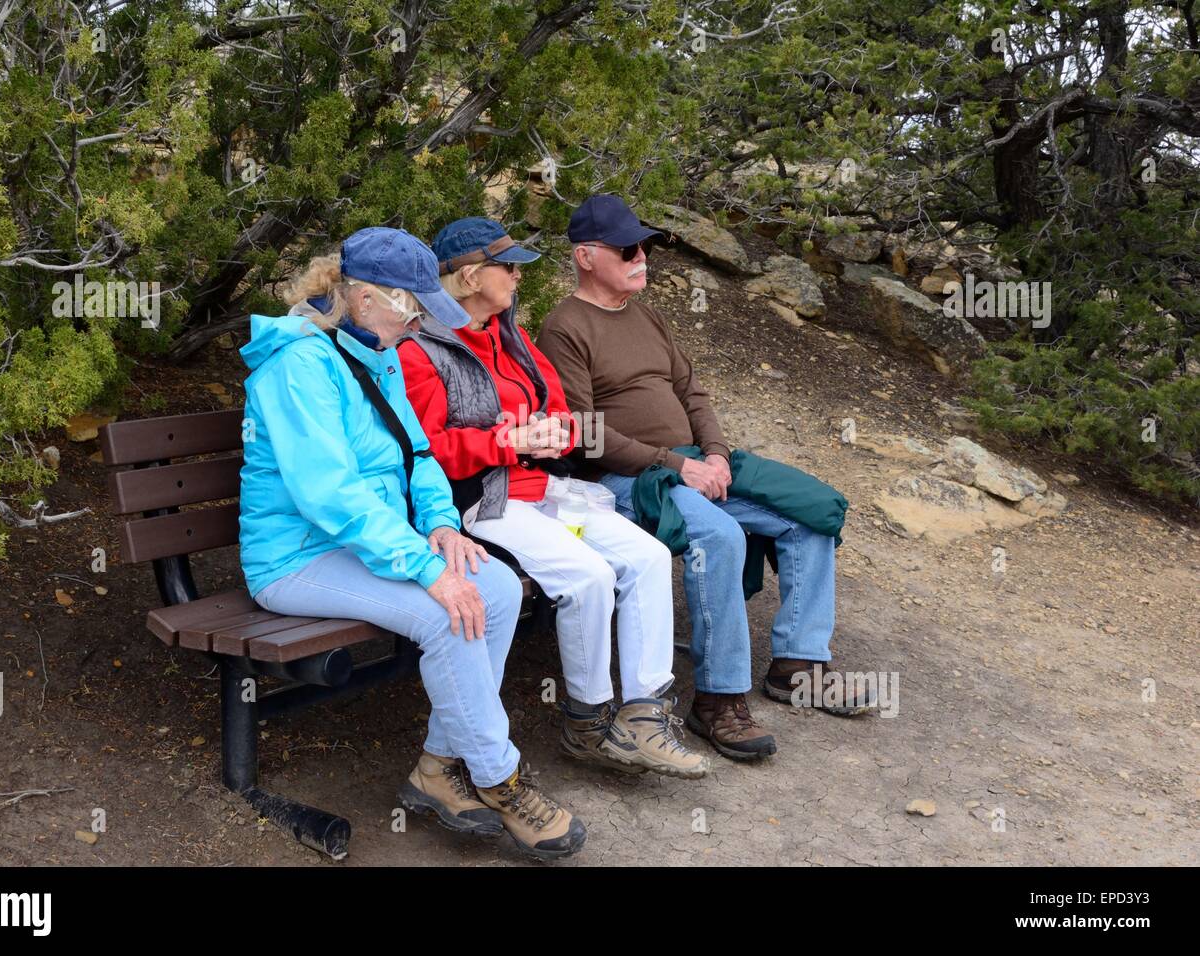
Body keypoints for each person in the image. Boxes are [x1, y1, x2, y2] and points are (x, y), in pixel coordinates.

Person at [238, 226, 585, 860]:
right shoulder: (297, 366)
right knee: (447, 612)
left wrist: (441, 525)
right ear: (367, 297)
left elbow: (417, 452)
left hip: (364, 545)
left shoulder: (377, 348)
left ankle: (437, 765)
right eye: (415, 306)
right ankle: (499, 778)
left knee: (500, 589)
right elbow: (330, 495)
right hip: (296, 558)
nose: (423, 319)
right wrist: (426, 569)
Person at [537, 195, 872, 764]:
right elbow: (583, 436)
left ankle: (799, 665)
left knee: (810, 512)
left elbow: (692, 392)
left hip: (694, 461)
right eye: (628, 249)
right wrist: (677, 467)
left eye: (644, 245)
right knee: (718, 536)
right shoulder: (564, 328)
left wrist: (714, 455)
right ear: (587, 256)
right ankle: (717, 700)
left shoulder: (646, 314)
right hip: (625, 481)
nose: (642, 256)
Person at [398, 217, 707, 779]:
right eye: (509, 267)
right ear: (469, 277)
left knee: (648, 556)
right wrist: (504, 441)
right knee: (587, 574)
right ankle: (587, 722)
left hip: (544, 489)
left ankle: (642, 717)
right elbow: (423, 451)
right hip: (480, 503)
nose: (519, 277)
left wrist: (553, 433)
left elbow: (567, 415)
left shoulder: (509, 336)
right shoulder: (421, 350)